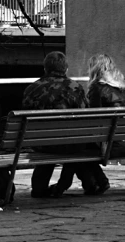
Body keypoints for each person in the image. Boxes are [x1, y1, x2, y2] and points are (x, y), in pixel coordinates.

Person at [22, 51, 107, 197]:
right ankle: (91, 182)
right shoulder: (74, 87)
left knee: (60, 142)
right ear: (66, 69)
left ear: (45, 69)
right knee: (77, 142)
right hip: (69, 143)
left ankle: (40, 187)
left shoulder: (31, 89)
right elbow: (85, 117)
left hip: (40, 142)